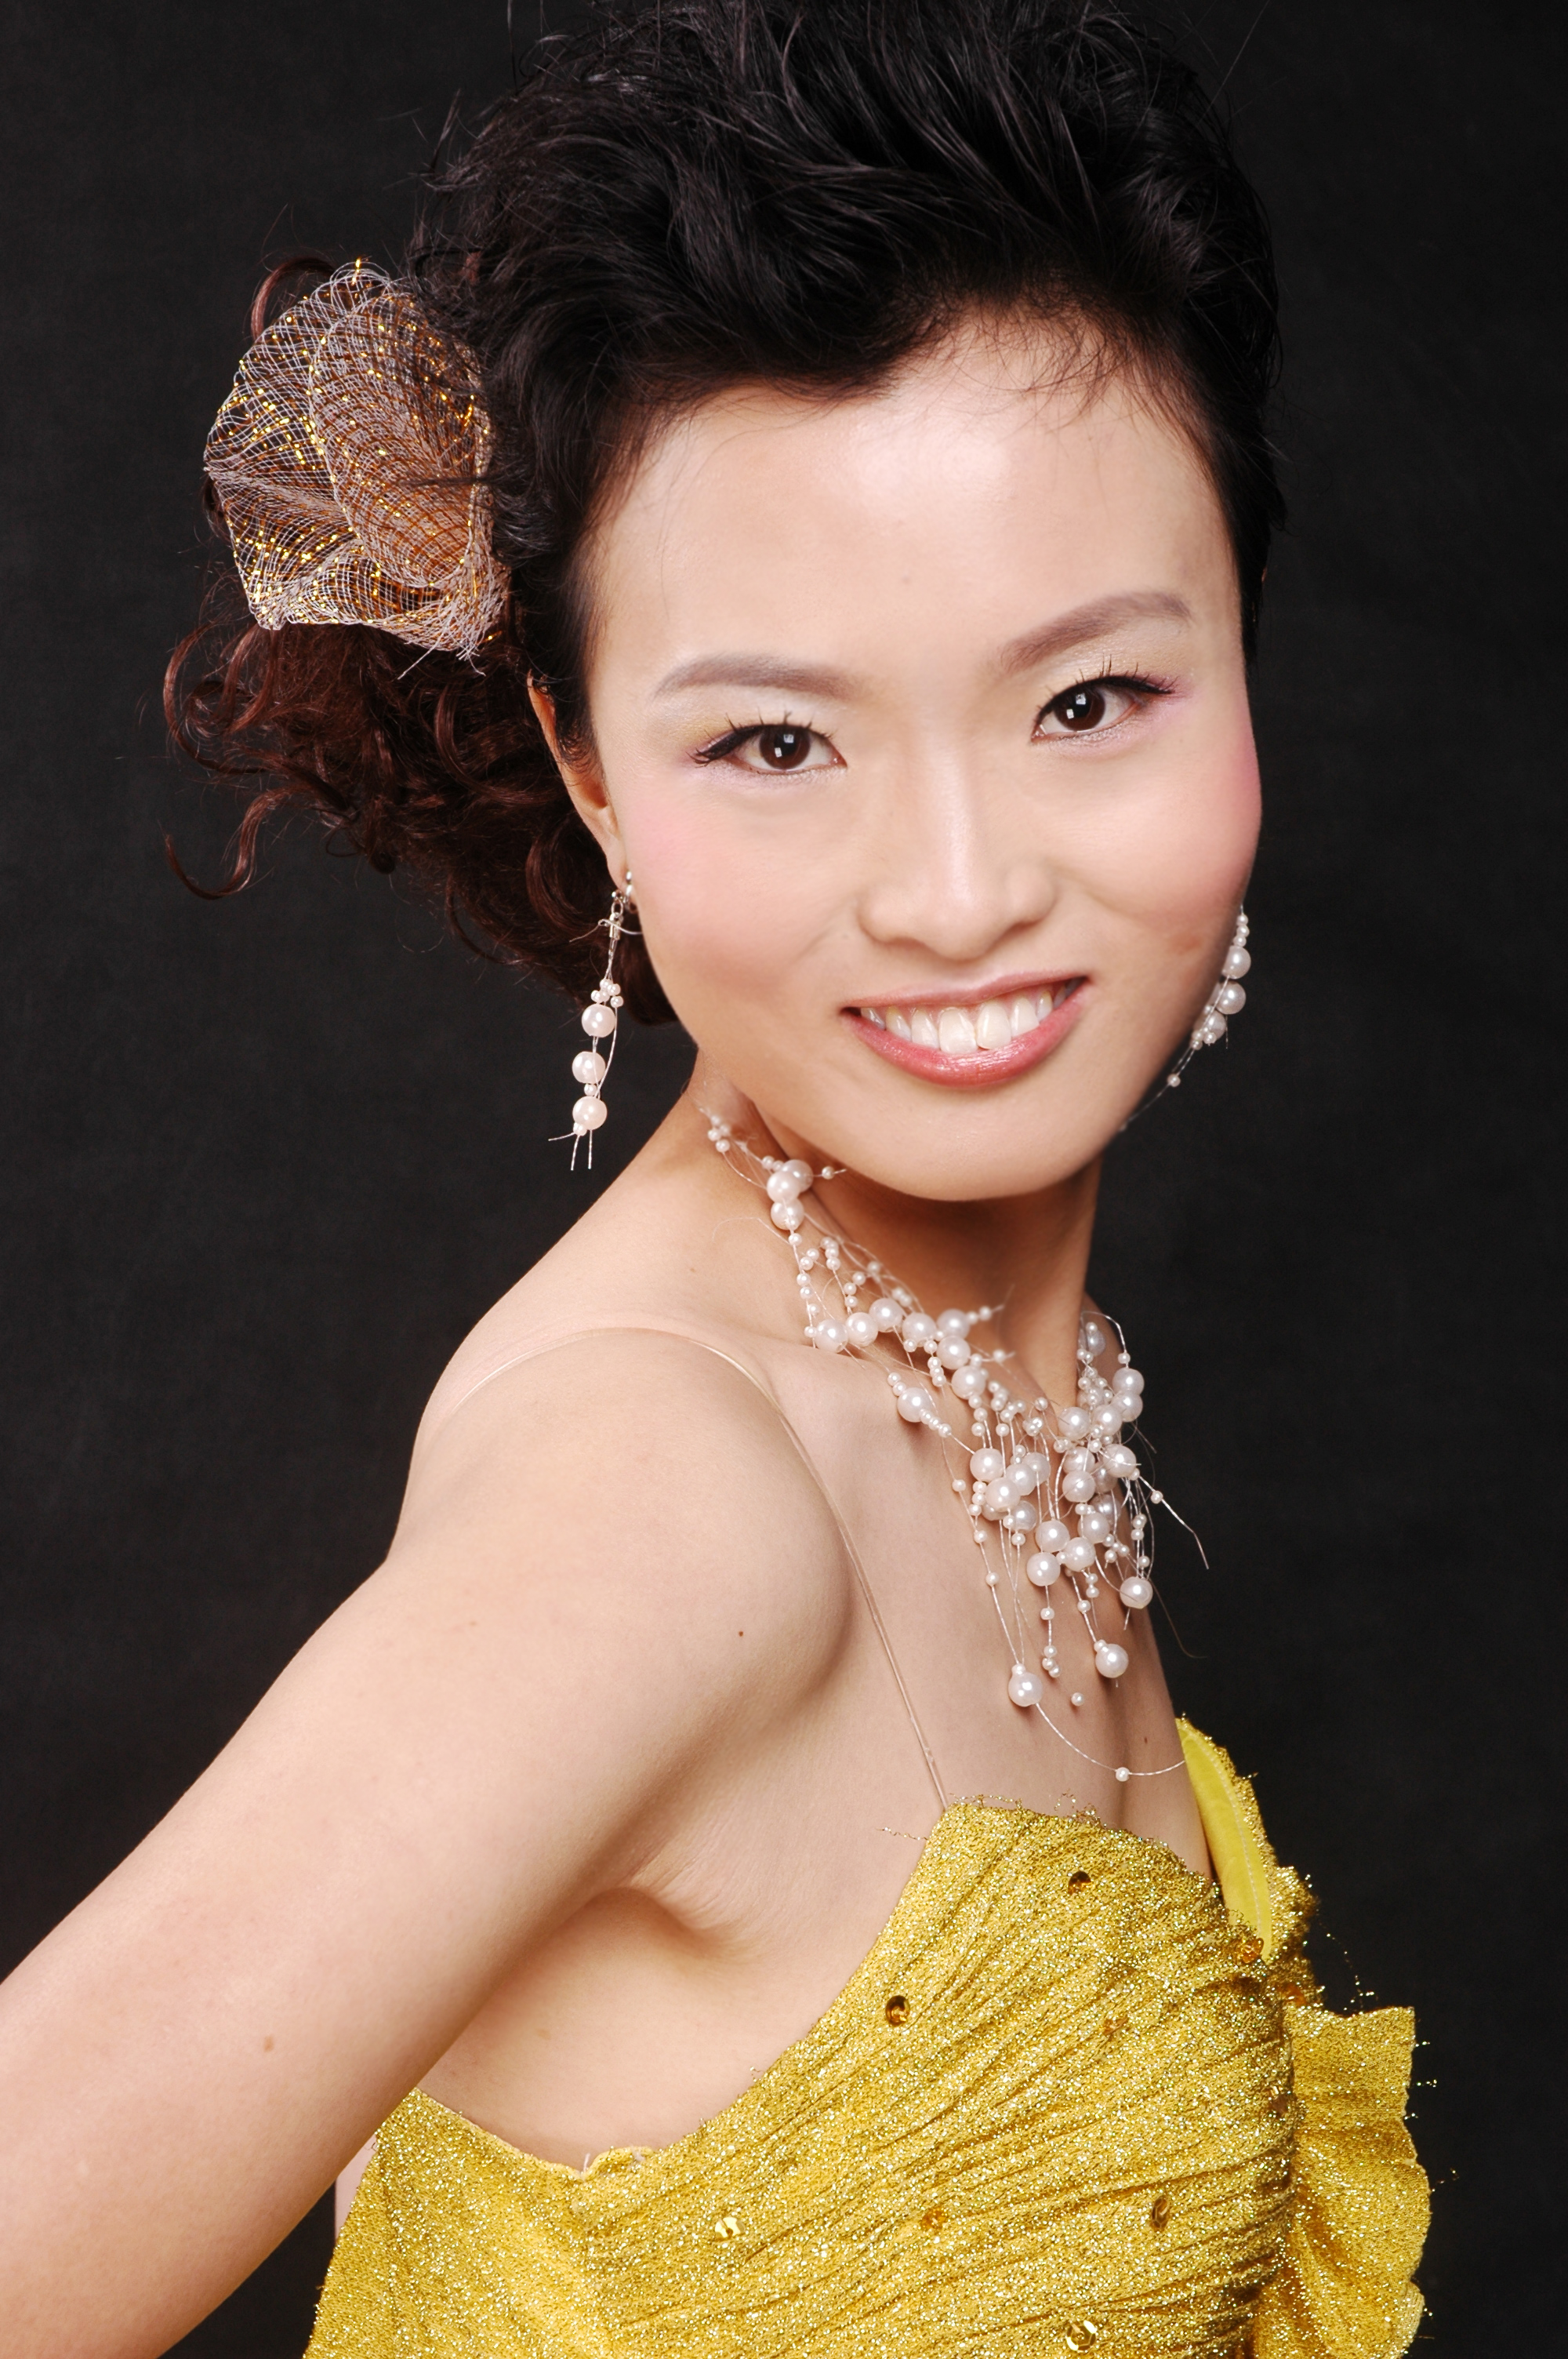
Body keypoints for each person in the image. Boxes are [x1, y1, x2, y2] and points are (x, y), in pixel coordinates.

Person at [0, 3, 1430, 2353]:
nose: (962, 889)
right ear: (587, 767)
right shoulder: (661, 1505)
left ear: (1244, 648)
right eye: (776, 740)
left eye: (1088, 701)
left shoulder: (991, 1366)